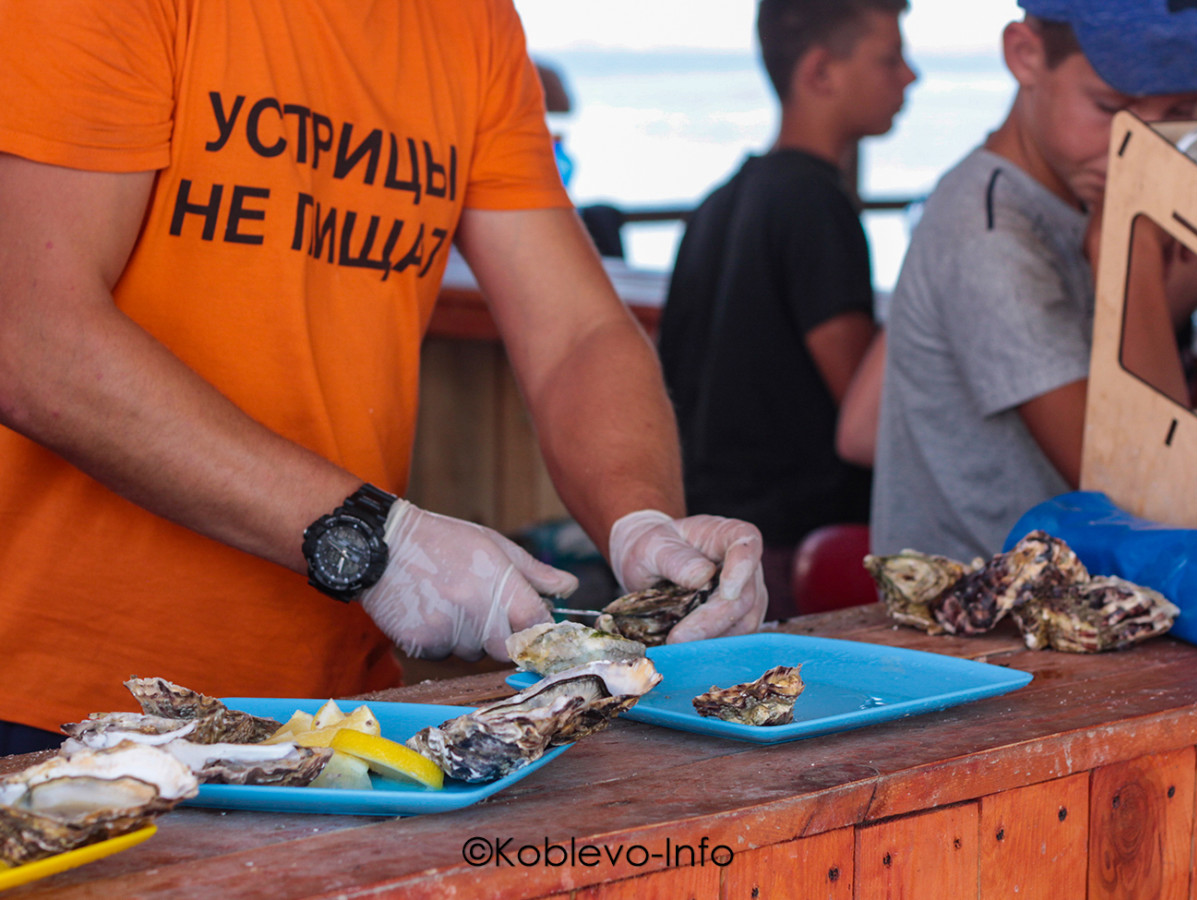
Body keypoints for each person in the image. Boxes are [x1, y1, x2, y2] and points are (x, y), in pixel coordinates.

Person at [0, 1, 768, 755]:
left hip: (335, 709)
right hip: (51, 705)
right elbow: (30, 334)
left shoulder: (472, 23)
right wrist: (376, 539)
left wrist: (643, 527)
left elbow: (578, 333)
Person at [870, 0, 1197, 563]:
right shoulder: (989, 237)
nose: (1140, 146)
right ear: (1025, 56)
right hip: (979, 628)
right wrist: (1134, 247)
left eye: (1176, 114)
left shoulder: (1082, 196)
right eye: (1111, 108)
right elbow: (1151, 496)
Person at [656, 0, 916, 619]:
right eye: (890, 59)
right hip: (794, 552)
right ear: (821, 72)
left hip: (707, 538)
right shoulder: (814, 205)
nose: (910, 77)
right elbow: (863, 406)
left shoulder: (718, 202)